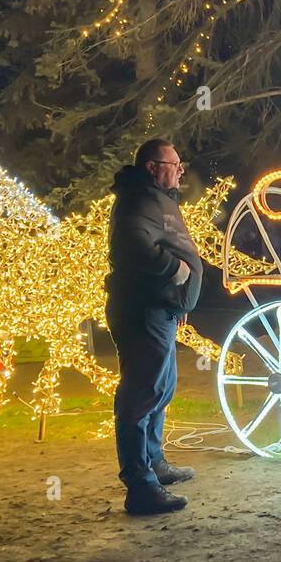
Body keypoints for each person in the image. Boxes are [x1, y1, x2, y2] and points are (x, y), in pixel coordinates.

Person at [106, 138, 203, 515]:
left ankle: (154, 462)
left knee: (160, 389)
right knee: (142, 393)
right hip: (142, 311)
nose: (180, 170)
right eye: (173, 163)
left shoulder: (156, 199)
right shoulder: (138, 199)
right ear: (151, 166)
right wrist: (175, 271)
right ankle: (140, 483)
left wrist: (179, 300)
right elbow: (131, 246)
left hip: (161, 309)